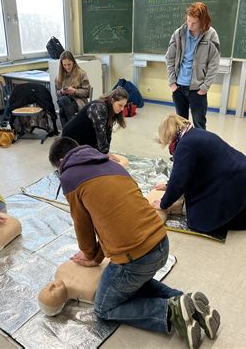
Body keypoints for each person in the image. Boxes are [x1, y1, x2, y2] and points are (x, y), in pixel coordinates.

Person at [48, 137, 221, 348]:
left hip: (137, 259)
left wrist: (90, 255)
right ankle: (187, 303)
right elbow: (114, 219)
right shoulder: (110, 163)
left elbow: (82, 225)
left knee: (104, 308)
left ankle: (171, 311)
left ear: (61, 161)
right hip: (160, 242)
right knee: (134, 284)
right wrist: (97, 254)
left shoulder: (70, 177)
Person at [153, 114, 246, 237]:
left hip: (238, 181)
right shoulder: (193, 133)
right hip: (245, 174)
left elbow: (179, 181)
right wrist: (168, 185)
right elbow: (185, 172)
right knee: (198, 202)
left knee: (199, 223)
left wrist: (163, 204)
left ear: (169, 135)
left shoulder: (184, 146)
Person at [164, 2, 220, 130]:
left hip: (197, 89)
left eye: (194, 23)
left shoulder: (211, 35)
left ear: (203, 21)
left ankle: (200, 150)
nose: (190, 25)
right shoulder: (179, 34)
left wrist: (205, 87)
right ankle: (184, 149)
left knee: (199, 125)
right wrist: (172, 83)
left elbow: (214, 63)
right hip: (178, 87)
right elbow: (169, 58)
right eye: (188, 21)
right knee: (181, 125)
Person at [61, 87, 128, 157]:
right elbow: (100, 133)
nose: (122, 109)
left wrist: (107, 151)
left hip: (85, 135)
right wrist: (105, 153)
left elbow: (107, 132)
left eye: (124, 106)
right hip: (71, 138)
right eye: (120, 105)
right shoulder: (98, 107)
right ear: (112, 100)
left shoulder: (111, 110)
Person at [54, 51, 91, 128]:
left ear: (73, 62)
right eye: (64, 65)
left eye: (69, 64)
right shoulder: (59, 77)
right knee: (64, 99)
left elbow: (87, 92)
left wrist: (75, 91)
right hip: (64, 100)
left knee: (62, 111)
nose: (67, 67)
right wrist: (61, 91)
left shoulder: (81, 73)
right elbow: (57, 94)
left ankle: (67, 133)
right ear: (61, 65)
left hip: (78, 101)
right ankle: (74, 128)